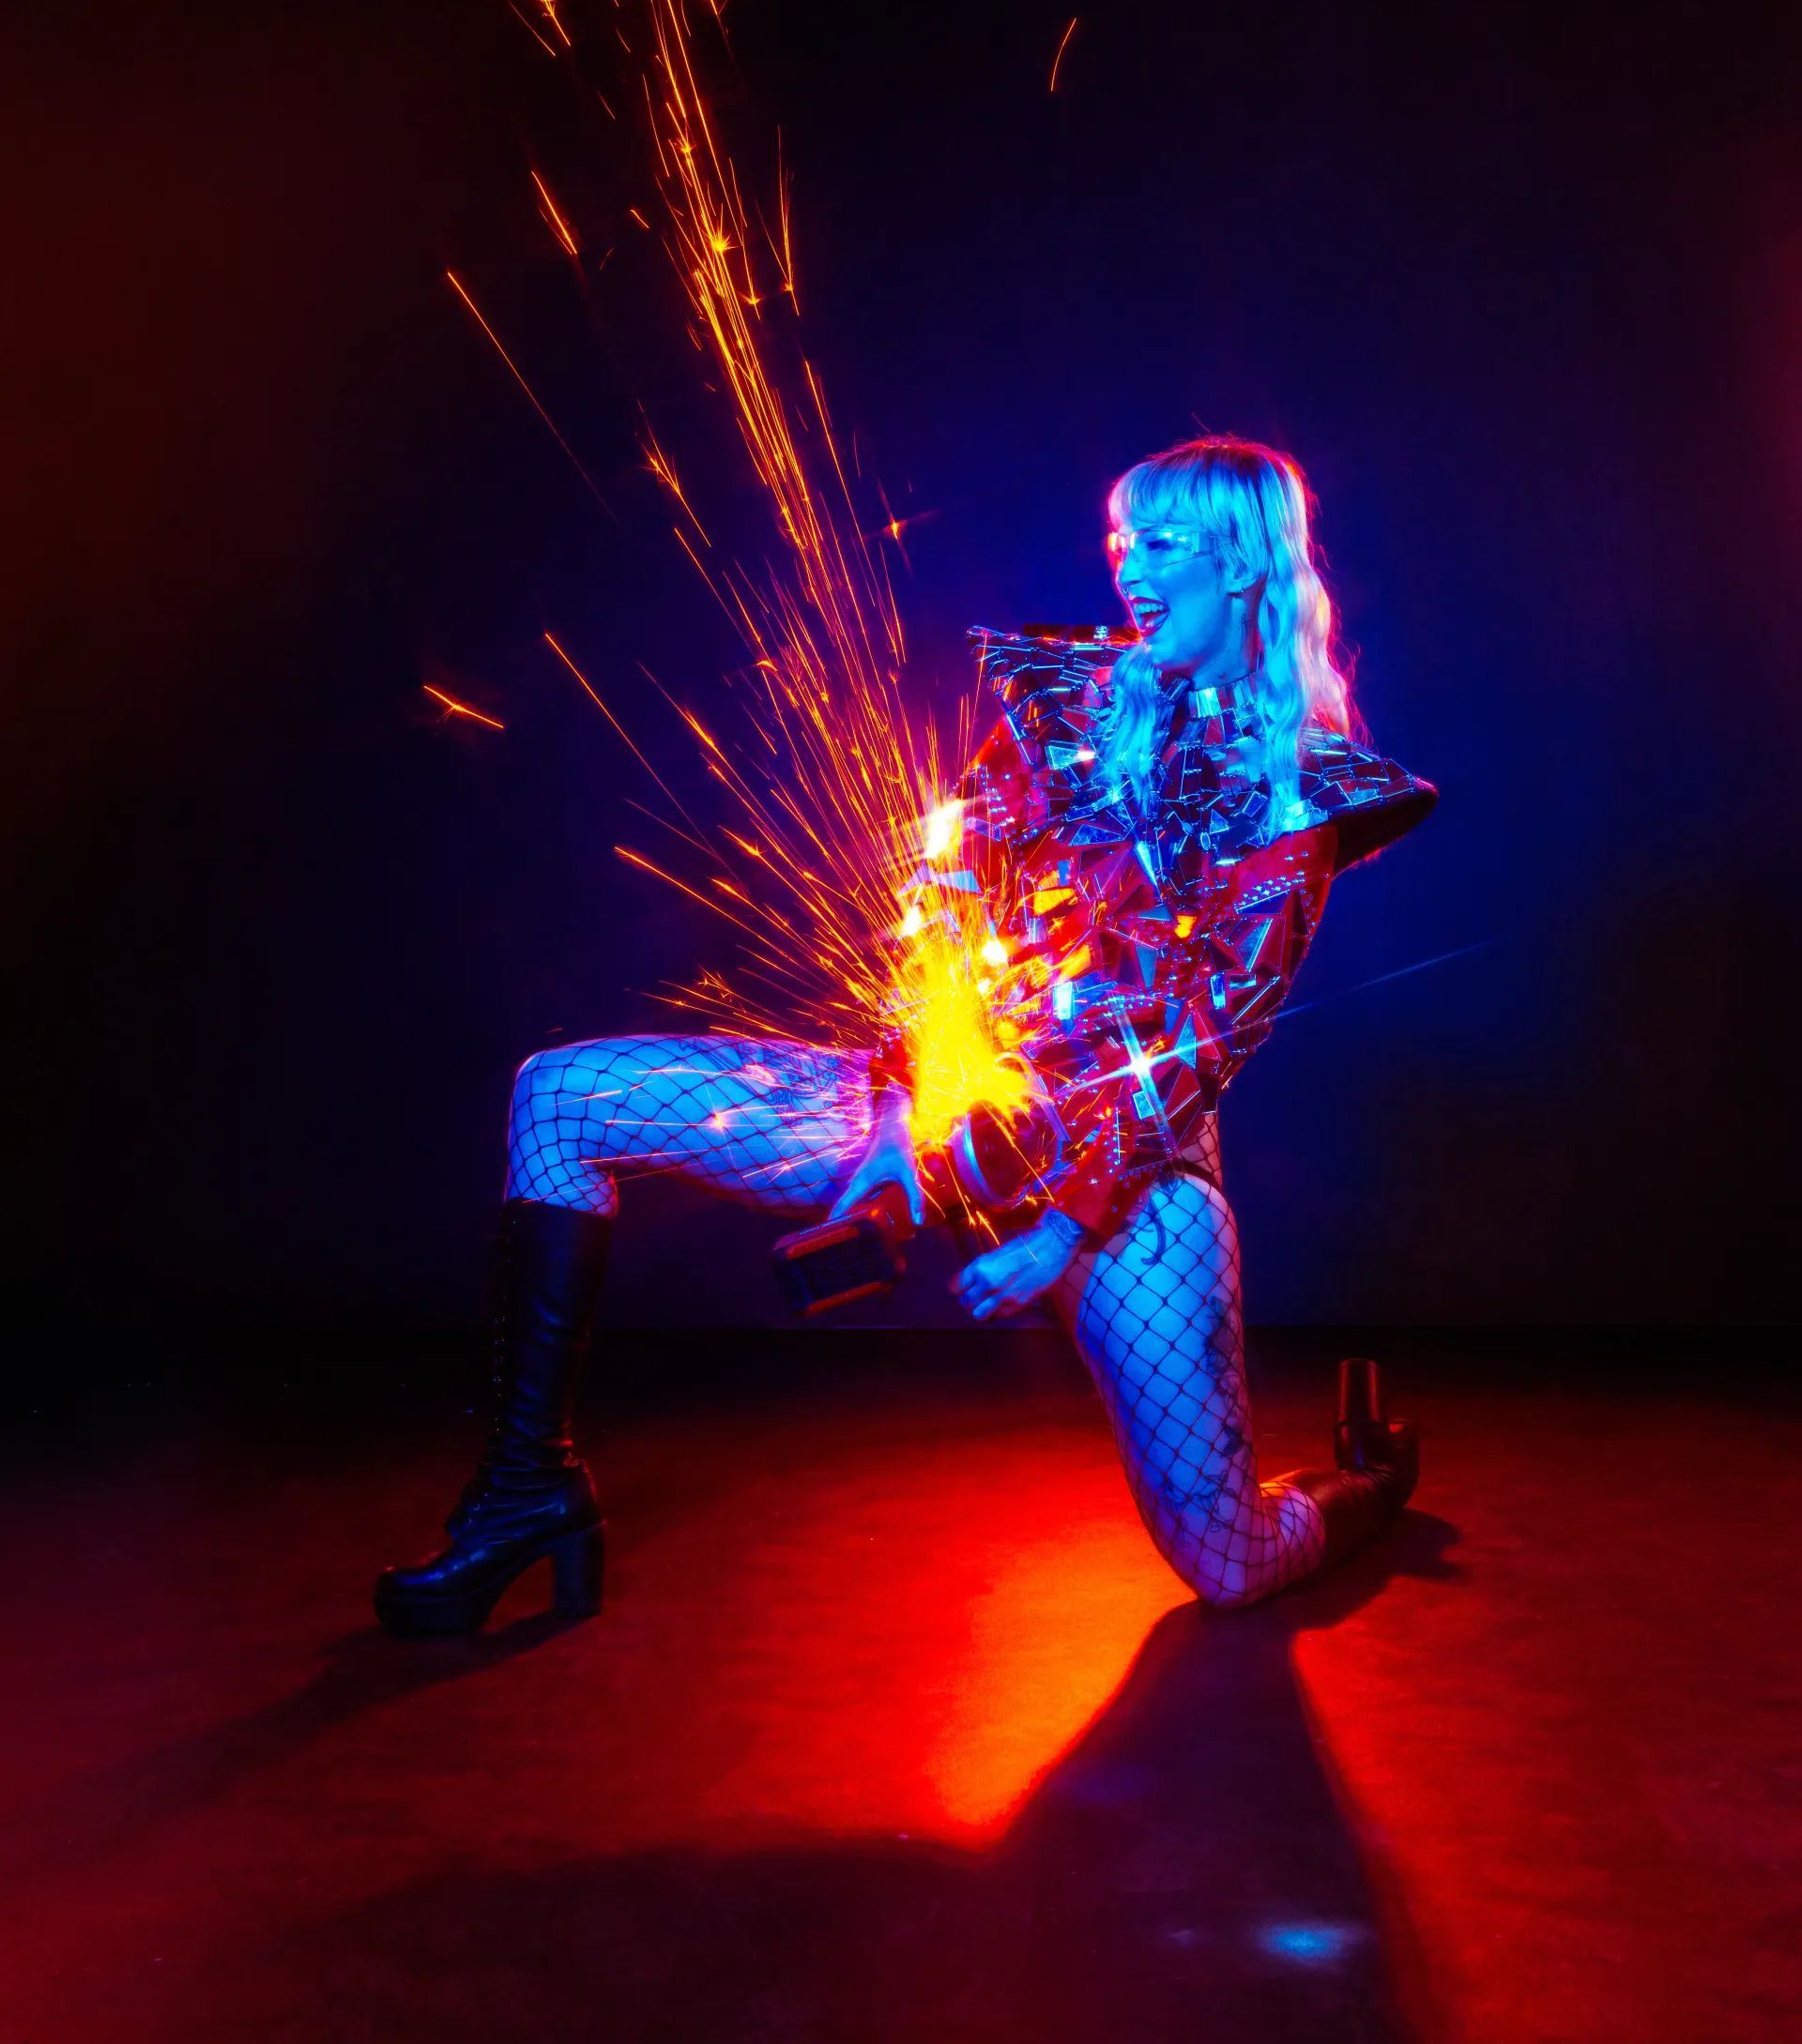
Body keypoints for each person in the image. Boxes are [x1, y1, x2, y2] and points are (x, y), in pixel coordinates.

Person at [374, 435, 1434, 1636]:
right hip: (940, 1113)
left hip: (1125, 1174)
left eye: (1167, 542)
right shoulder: (1067, 704)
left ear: (1245, 563)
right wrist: (890, 1122)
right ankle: (527, 1489)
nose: (1130, 566)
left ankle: (1369, 1475)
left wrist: (1058, 1232)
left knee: (1230, 1562)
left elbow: (1200, 1043)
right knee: (559, 1101)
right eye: (1121, 539)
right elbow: (942, 905)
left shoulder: (1301, 788)